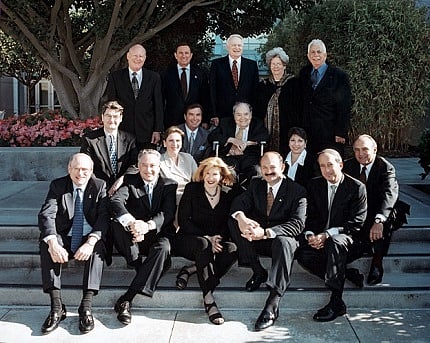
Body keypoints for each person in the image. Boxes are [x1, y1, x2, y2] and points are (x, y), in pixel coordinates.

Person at [229, 151, 307, 331]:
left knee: (284, 242)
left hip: (280, 239)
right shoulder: (256, 184)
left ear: (282, 167)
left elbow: (297, 224)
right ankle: (258, 271)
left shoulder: (297, 190)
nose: (268, 171)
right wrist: (242, 219)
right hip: (257, 237)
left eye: (272, 167)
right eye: (264, 168)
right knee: (233, 221)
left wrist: (265, 232)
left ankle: (273, 303)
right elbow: (238, 204)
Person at [38, 153, 109, 334]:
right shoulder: (58, 185)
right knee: (46, 242)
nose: (80, 173)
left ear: (91, 171)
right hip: (66, 235)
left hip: (87, 236)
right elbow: (47, 214)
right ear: (69, 169)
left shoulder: (99, 186)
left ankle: (86, 306)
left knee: (98, 247)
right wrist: (53, 243)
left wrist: (91, 241)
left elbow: (103, 218)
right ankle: (56, 307)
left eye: (85, 169)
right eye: (76, 168)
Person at [295, 149, 367, 322]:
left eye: (330, 165)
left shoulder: (357, 187)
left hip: (348, 238)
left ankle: (336, 302)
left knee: (335, 242)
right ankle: (345, 273)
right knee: (301, 254)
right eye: (322, 166)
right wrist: (311, 235)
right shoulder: (314, 185)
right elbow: (309, 215)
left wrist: (327, 234)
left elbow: (357, 223)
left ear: (340, 164)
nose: (326, 170)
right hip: (321, 239)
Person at [110, 149, 177, 325]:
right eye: (144, 165)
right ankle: (142, 266)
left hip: (157, 233)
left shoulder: (169, 185)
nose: (149, 170)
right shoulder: (130, 181)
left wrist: (146, 226)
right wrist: (133, 224)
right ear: (138, 166)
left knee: (163, 248)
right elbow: (116, 201)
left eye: (153, 165)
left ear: (159, 166)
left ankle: (127, 298)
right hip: (132, 236)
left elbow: (167, 213)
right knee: (116, 223)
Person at [173, 157, 237, 325]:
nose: (210, 177)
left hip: (215, 239)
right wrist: (207, 238)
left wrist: (217, 238)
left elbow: (227, 222)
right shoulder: (192, 189)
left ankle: (192, 269)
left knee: (232, 249)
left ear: (221, 175)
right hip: (190, 239)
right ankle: (208, 299)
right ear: (201, 174)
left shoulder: (227, 193)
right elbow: (183, 220)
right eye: (207, 173)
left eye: (214, 174)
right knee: (203, 245)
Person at [343, 134, 399, 285]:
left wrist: (379, 219)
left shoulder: (385, 167)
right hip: (357, 211)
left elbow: (389, 194)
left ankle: (377, 263)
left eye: (365, 149)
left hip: (377, 209)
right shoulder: (348, 166)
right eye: (357, 150)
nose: (360, 154)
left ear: (375, 149)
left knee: (387, 218)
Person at [299, 39, 352, 156]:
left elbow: (344, 106)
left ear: (325, 55)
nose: (315, 55)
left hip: (330, 132)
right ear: (308, 56)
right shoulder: (303, 73)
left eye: (319, 52)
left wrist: (341, 132)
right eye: (312, 52)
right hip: (308, 132)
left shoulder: (339, 76)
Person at [107, 44, 163, 149]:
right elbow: (111, 105)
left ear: (145, 58)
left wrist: (157, 130)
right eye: (135, 55)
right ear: (128, 56)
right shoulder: (116, 77)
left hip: (147, 132)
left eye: (141, 56)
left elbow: (158, 105)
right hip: (123, 131)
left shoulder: (154, 77)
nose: (138, 59)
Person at [80, 100, 138, 197]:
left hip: (123, 187)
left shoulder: (130, 139)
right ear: (102, 117)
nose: (112, 120)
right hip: (98, 188)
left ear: (121, 118)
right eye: (108, 116)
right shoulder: (90, 139)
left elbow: (134, 164)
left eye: (115, 116)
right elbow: (86, 165)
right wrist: (101, 186)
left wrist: (122, 180)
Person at [208, 102, 269, 187]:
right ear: (233, 114)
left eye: (246, 114)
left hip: (249, 158)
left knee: (256, 174)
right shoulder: (225, 123)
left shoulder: (257, 123)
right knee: (228, 174)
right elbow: (212, 136)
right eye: (238, 115)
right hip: (229, 157)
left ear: (251, 114)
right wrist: (231, 140)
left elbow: (264, 137)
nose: (242, 118)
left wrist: (245, 144)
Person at [255, 47, 302, 155]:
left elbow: (299, 107)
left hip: (288, 129)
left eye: (278, 64)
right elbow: (258, 109)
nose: (275, 67)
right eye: (273, 64)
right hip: (267, 130)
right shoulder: (263, 85)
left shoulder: (294, 83)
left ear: (284, 66)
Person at [209, 34, 259, 126]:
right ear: (227, 47)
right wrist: (214, 114)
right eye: (234, 45)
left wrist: (253, 113)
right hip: (223, 115)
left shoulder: (251, 65)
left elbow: (255, 91)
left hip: (245, 116)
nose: (237, 48)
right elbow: (212, 90)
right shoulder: (217, 64)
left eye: (239, 45)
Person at [161, 43, 209, 128]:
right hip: (172, 121)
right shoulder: (166, 74)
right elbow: (161, 100)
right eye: (181, 53)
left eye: (186, 53)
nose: (184, 56)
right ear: (175, 55)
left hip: (194, 122)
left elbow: (205, 98)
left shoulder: (200, 74)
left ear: (191, 55)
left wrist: (205, 120)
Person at [160, 126, 197, 215]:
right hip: (170, 201)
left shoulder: (188, 158)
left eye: (178, 141)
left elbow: (197, 179)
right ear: (164, 143)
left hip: (189, 198)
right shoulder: (159, 161)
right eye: (171, 141)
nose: (175, 144)